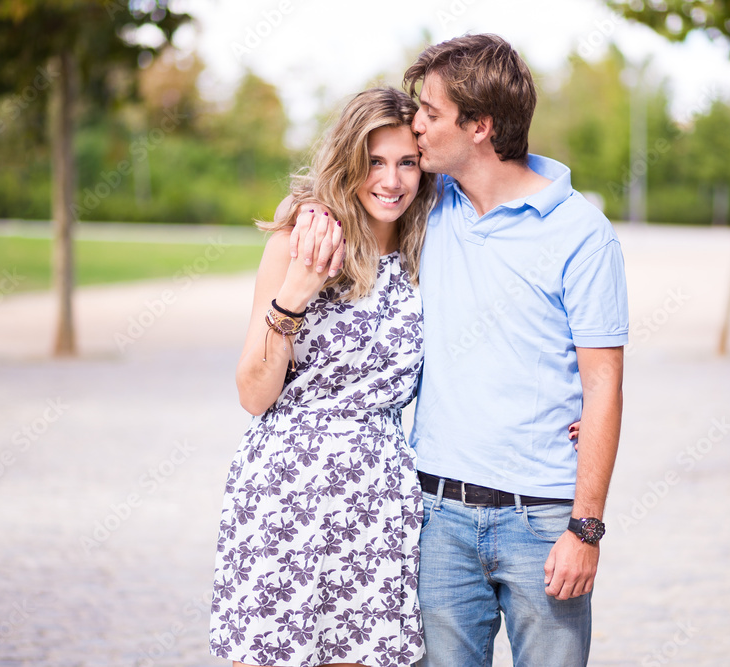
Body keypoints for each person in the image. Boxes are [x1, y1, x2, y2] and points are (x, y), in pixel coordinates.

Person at [293, 34, 628, 666]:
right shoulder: (428, 205)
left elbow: (604, 384)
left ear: (480, 126)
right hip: (438, 518)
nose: (414, 126)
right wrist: (304, 210)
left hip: (544, 522)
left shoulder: (582, 233)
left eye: (430, 113)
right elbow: (349, 186)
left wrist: (586, 529)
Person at [208, 87, 438, 667]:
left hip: (378, 497)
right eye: (375, 162)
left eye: (406, 162)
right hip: (285, 490)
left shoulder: (431, 251)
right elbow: (254, 394)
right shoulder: (301, 243)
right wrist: (297, 294)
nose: (392, 181)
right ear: (350, 163)